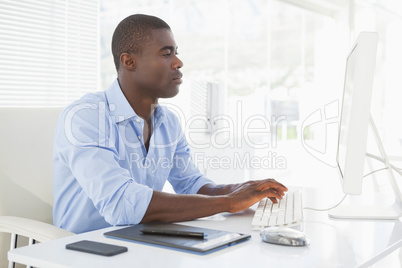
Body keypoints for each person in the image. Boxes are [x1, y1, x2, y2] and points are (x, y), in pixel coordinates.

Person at [53, 14, 288, 234]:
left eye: (175, 52)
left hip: (139, 242)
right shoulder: (86, 116)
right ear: (129, 61)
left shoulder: (168, 122)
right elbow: (120, 204)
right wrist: (228, 203)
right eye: (166, 54)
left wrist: (239, 190)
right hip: (82, 249)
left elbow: (189, 183)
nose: (178, 62)